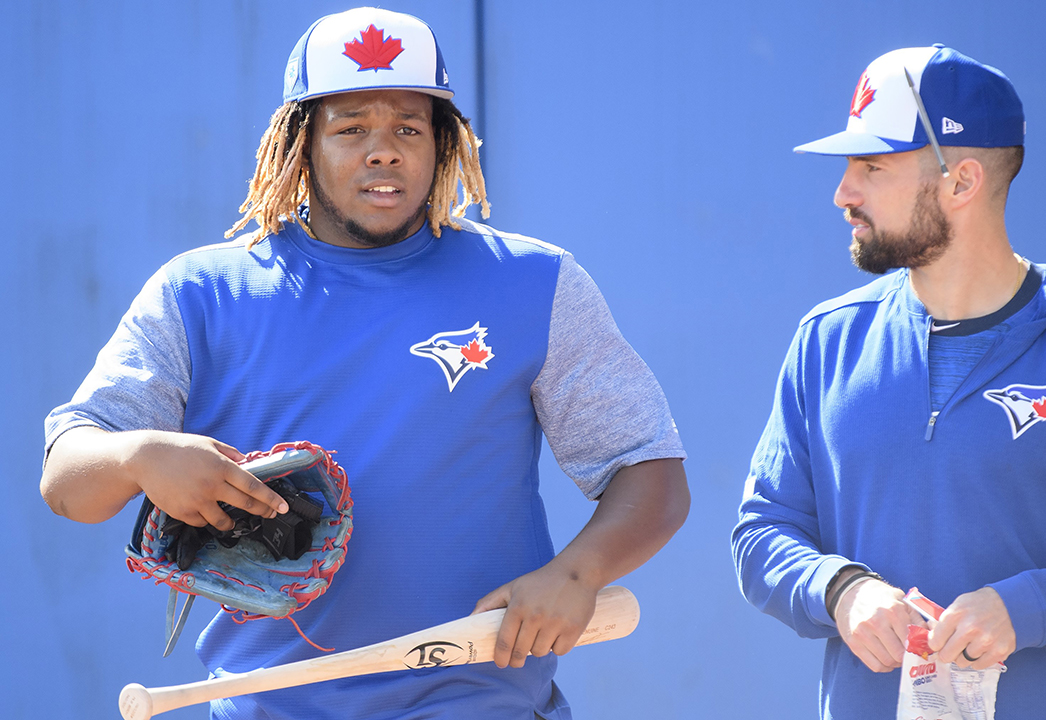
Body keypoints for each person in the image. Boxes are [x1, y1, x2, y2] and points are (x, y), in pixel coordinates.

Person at [40, 8, 689, 719]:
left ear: (444, 145)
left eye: (409, 128)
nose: (384, 151)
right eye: (351, 128)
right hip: (265, 707)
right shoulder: (201, 293)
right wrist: (139, 456)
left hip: (476, 702)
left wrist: (578, 570)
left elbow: (647, 467)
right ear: (300, 143)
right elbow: (70, 483)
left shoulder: (533, 283)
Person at [731, 44, 1046, 719]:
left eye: (872, 167)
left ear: (961, 183)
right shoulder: (827, 341)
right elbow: (763, 531)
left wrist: (1028, 608)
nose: (843, 193)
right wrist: (838, 587)